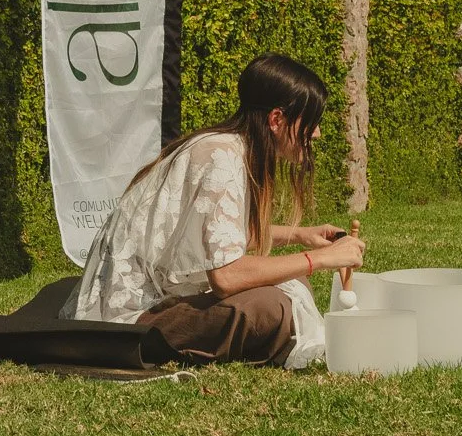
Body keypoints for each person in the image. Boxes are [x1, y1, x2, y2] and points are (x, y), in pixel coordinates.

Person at [62, 53, 366, 369]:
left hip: (160, 300)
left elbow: (221, 239)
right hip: (129, 318)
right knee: (271, 306)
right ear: (276, 120)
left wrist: (300, 236)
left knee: (287, 288)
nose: (316, 134)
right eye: (311, 122)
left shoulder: (233, 149)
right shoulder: (221, 157)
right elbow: (226, 276)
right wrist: (319, 260)